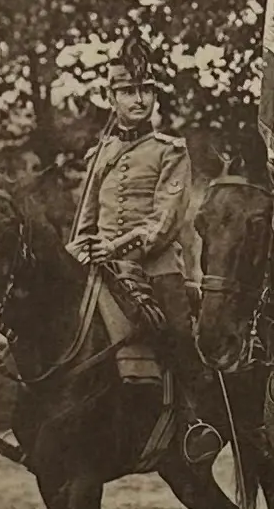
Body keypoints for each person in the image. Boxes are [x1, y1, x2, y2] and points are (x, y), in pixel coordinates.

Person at [70, 37, 224, 465]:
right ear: (111, 98)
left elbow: (164, 220)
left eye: (146, 90)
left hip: (156, 268)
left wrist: (117, 246)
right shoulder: (98, 154)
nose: (139, 100)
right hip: (100, 268)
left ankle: (194, 422)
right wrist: (78, 251)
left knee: (178, 331)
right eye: (128, 91)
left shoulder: (170, 151)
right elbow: (84, 219)